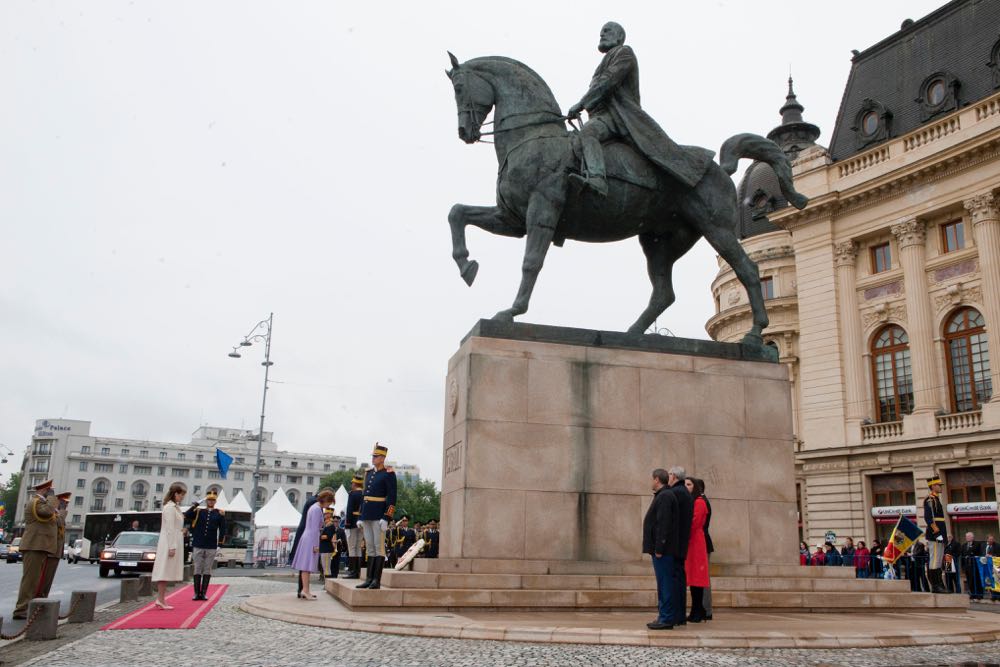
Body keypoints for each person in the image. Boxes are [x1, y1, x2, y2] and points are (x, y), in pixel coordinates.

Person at [565, 22, 712, 196]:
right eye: (600, 32)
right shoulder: (606, 60)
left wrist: (581, 104)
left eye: (607, 31)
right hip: (602, 116)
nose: (602, 34)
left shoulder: (624, 52)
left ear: (619, 37)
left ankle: (597, 179)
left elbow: (608, 82)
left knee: (588, 134)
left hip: (618, 117)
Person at [12, 480, 60, 619]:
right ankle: (21, 610)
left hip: (39, 546)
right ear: (45, 490)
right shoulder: (36, 502)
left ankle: (29, 607)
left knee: (35, 580)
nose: (52, 493)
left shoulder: (40, 502)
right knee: (30, 580)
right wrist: (51, 498)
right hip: (34, 545)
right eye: (50, 490)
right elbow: (46, 512)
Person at [356, 443, 397, 591]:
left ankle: (376, 580)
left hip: (379, 514)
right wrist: (360, 515)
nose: (373, 458)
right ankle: (368, 578)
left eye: (376, 456)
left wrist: (387, 517)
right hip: (367, 514)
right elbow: (364, 496)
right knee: (370, 548)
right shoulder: (369, 473)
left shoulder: (389, 473)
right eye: (373, 456)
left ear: (383, 458)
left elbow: (392, 497)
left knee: (379, 549)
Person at [642, 468, 679, 630]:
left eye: (652, 479)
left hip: (663, 551)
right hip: (662, 550)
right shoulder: (664, 495)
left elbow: (663, 524)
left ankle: (666, 618)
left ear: (657, 479)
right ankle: (663, 616)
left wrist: (659, 547)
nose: (651, 482)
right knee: (663, 583)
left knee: (665, 584)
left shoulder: (665, 496)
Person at [289, 486, 334, 595]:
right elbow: (314, 528)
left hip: (307, 535)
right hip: (310, 537)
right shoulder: (316, 507)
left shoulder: (314, 504)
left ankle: (304, 590)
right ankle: (304, 590)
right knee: (306, 565)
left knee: (306, 565)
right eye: (330, 503)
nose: (329, 506)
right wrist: (315, 545)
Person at [184, 489, 226, 601]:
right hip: (198, 543)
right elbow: (187, 515)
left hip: (211, 545)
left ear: (215, 501)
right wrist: (197, 503)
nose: (211, 502)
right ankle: (196, 593)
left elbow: (222, 530)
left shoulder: (219, 513)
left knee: (207, 569)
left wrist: (220, 543)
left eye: (213, 500)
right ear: (206, 501)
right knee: (197, 568)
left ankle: (204, 593)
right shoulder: (199, 512)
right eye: (209, 500)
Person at [152, 483, 187, 610]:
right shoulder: (170, 508)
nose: (182, 497)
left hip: (173, 539)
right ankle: (160, 599)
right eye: (181, 495)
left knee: (166, 571)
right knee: (164, 570)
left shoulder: (175, 507)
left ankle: (161, 599)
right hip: (168, 542)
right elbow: (169, 529)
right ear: (176, 494)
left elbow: (174, 527)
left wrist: (181, 531)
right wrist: (172, 546)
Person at [667, 466, 692, 627]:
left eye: (669, 475)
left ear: (674, 476)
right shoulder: (685, 493)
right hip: (681, 544)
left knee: (675, 579)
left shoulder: (676, 493)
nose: (668, 478)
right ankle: (679, 615)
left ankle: (676, 615)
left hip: (675, 544)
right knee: (679, 579)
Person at [683, 477, 711, 623]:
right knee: (693, 579)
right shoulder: (693, 501)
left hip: (696, 543)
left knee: (697, 579)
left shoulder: (699, 502)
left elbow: (694, 522)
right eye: (685, 484)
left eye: (689, 484)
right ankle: (696, 610)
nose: (686, 486)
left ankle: (698, 610)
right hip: (692, 542)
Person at [38, 491, 71, 598]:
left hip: (55, 552)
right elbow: (59, 522)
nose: (65, 505)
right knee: (42, 580)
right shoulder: (51, 513)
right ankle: (38, 601)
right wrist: (62, 511)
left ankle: (43, 599)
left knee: (48, 581)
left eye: (65, 503)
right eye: (63, 502)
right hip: (49, 551)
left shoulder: (56, 513)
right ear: (56, 502)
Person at [923, 476, 948, 593]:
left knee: (938, 560)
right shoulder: (930, 500)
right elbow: (929, 519)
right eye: (938, 485)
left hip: (940, 534)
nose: (940, 487)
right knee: (934, 560)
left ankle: (939, 584)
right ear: (933, 486)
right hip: (935, 535)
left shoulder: (936, 499)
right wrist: (937, 534)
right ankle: (935, 585)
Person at [343, 472, 365, 579]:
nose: (351, 485)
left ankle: (352, 571)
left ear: (355, 484)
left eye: (352, 483)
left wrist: (347, 524)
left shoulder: (352, 494)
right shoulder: (364, 494)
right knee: (358, 547)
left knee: (352, 547)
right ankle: (358, 571)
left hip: (352, 523)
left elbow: (349, 510)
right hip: (362, 523)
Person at [961, 531, 984, 600]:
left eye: (968, 536)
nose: (967, 538)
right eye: (966, 536)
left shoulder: (977, 544)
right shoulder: (964, 545)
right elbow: (962, 555)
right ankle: (973, 593)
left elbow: (979, 553)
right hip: (967, 566)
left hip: (975, 566)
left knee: (977, 580)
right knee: (970, 581)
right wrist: (963, 566)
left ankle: (979, 594)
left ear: (972, 537)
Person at [319, 510, 337, 581]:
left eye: (327, 513)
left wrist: (319, 536)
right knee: (325, 567)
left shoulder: (330, 525)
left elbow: (329, 536)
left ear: (330, 514)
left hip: (327, 549)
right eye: (325, 513)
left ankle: (327, 584)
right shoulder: (326, 524)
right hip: (324, 549)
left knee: (326, 568)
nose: (325, 515)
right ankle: (326, 583)